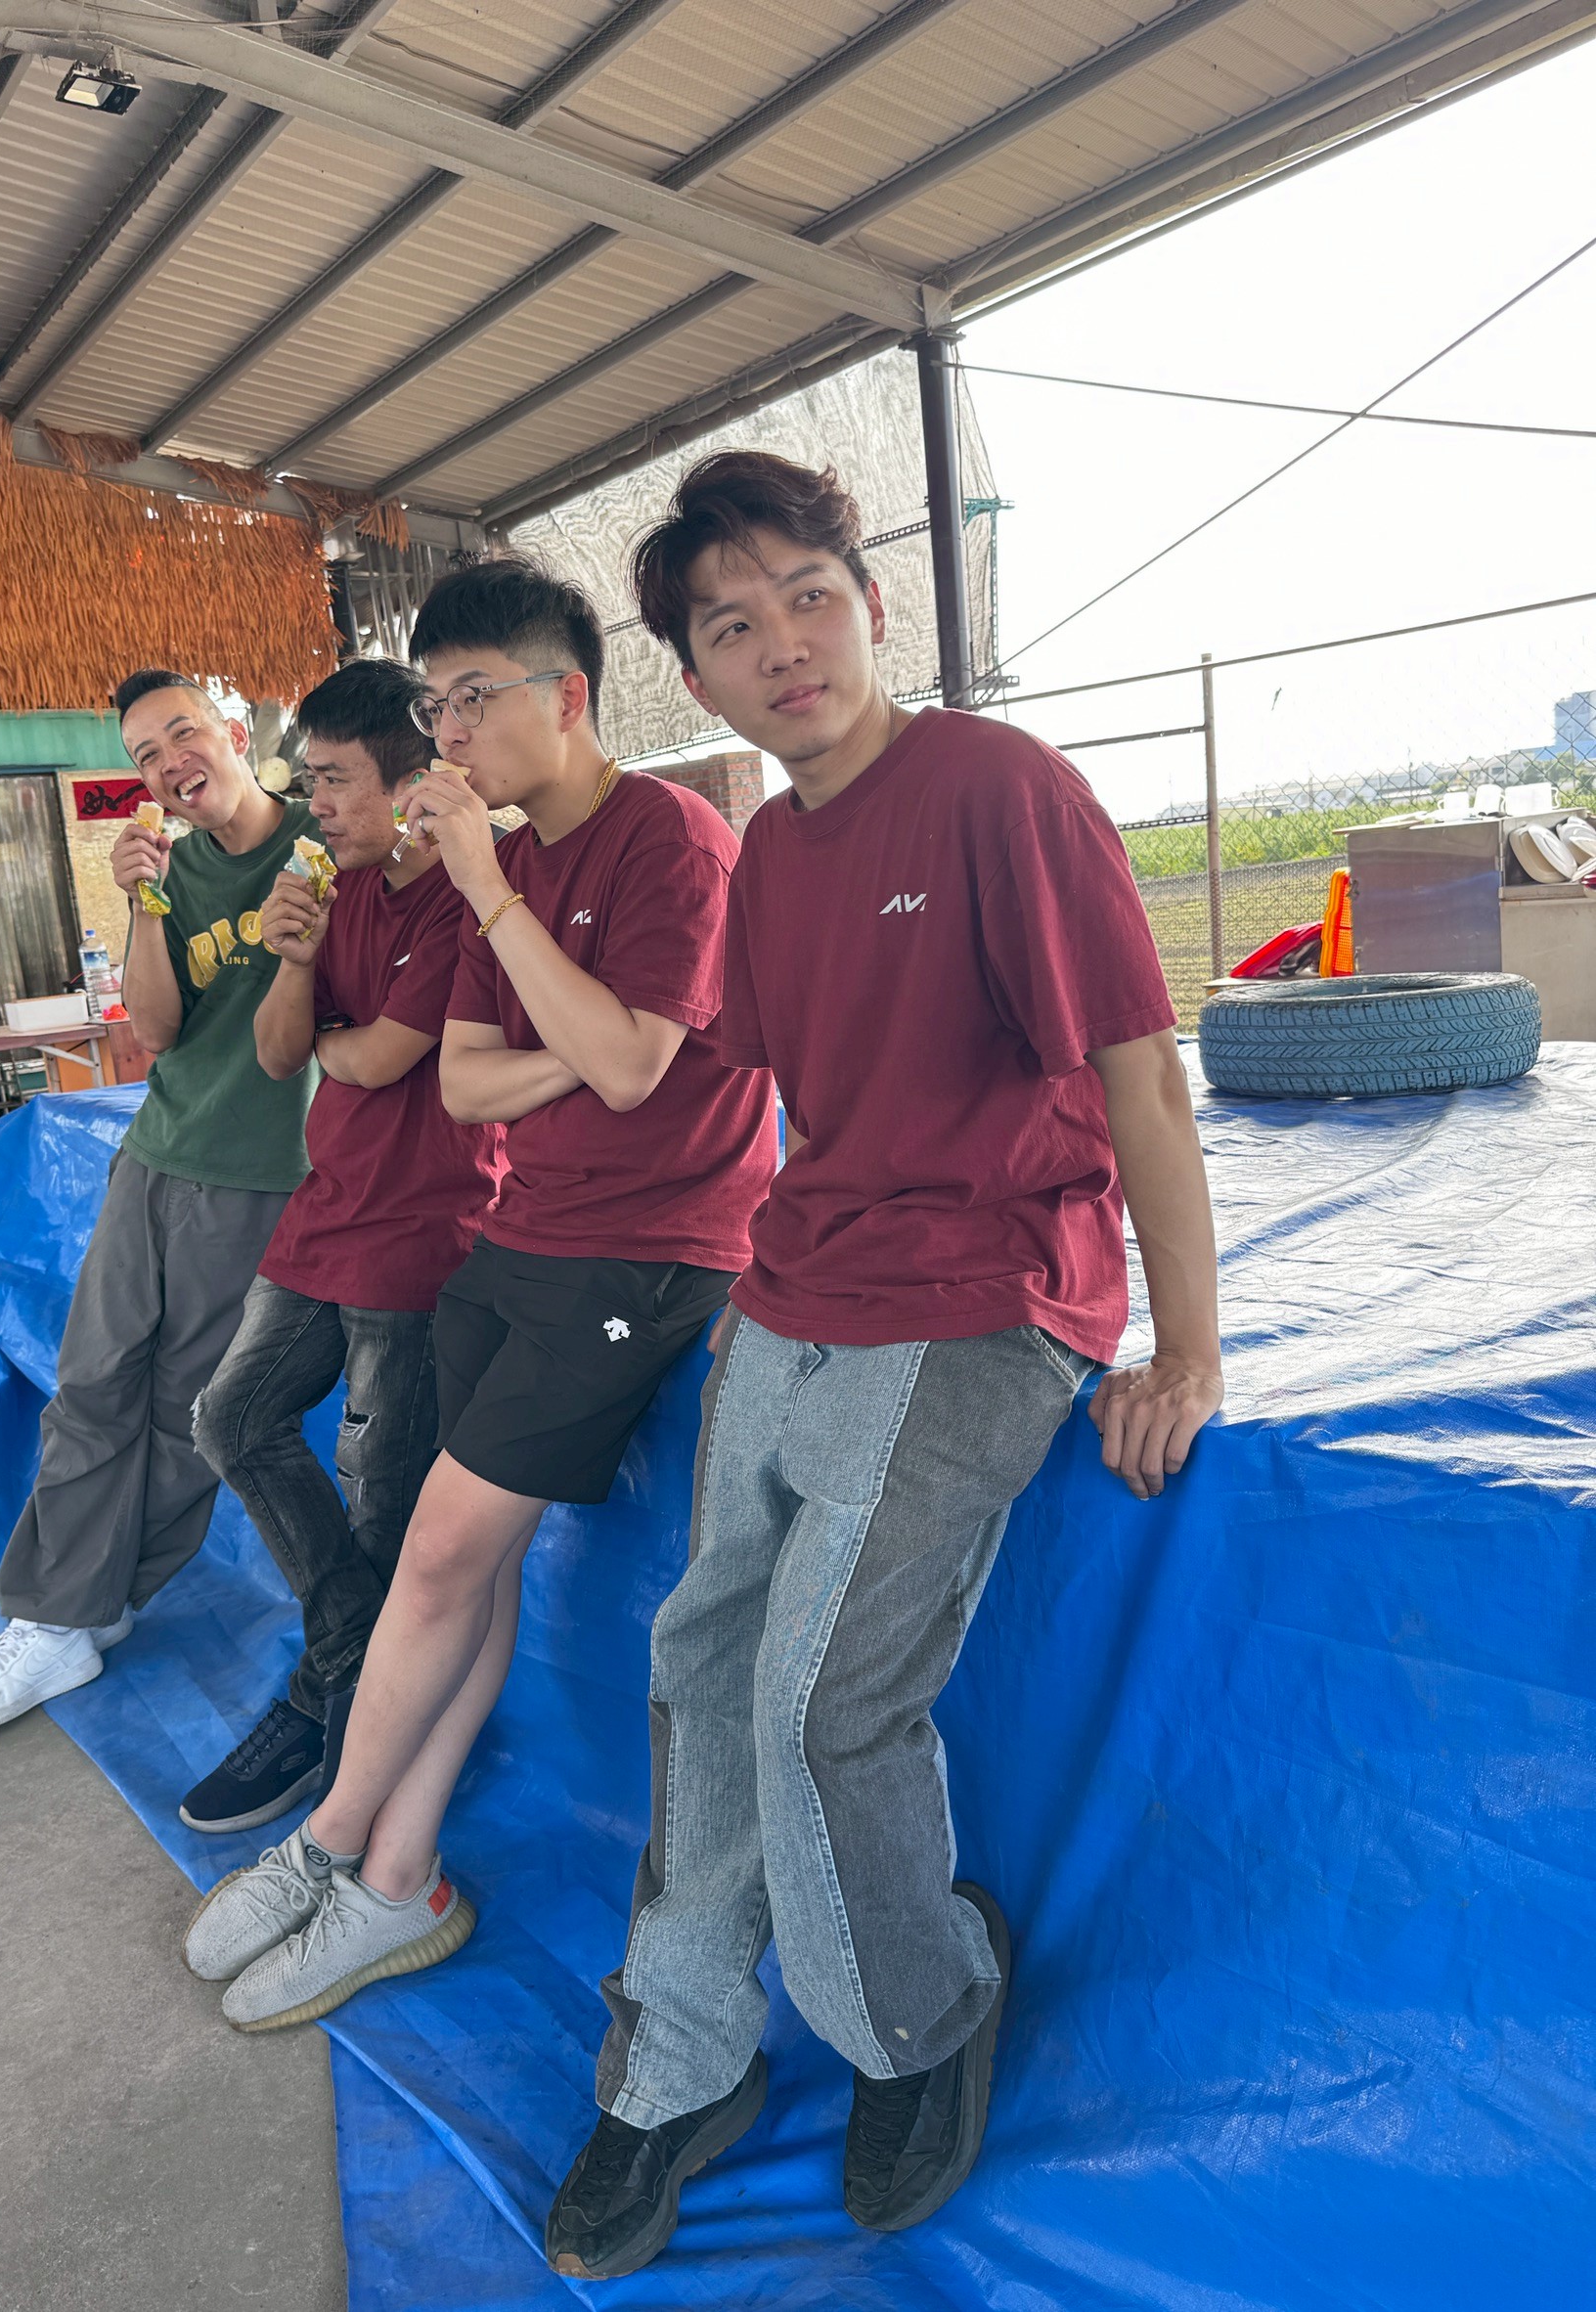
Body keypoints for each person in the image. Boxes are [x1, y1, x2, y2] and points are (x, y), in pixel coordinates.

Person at [544, 452, 1226, 2279]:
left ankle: (917, 2014)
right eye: (729, 626)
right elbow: (765, 1086)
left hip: (981, 1291)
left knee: (813, 1698)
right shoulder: (770, 847)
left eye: (808, 597)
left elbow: (1139, 1076)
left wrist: (1183, 1343)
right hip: (796, 1288)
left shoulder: (996, 786)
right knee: (698, 1661)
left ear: (870, 604)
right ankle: (678, 2058)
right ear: (692, 673)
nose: (782, 645)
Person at [181, 556, 776, 2030]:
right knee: (469, 1566)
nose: (444, 736)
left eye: (466, 701)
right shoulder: (497, 874)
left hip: (648, 1254)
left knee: (439, 1548)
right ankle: (402, 1873)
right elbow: (463, 1078)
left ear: (564, 698)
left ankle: (331, 1846)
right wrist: (578, 1027)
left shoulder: (667, 841)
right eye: (433, 707)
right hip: (521, 1234)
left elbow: (633, 1068)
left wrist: (522, 941)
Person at [0, 673, 318, 1739]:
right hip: (155, 1155)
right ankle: (57, 1613)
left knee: (189, 1410)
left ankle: (100, 1603)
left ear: (232, 733)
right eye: (145, 754)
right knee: (93, 1379)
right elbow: (154, 1030)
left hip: (261, 1175)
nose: (167, 763)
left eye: (181, 734)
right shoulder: (174, 871)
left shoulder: (321, 846)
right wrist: (144, 903)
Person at [178, 659, 502, 1835]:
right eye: (306, 779)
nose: (310, 804)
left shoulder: (465, 899)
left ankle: (341, 1718)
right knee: (229, 1418)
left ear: (409, 784)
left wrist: (332, 1028)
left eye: (331, 781)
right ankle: (351, 1668)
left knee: (382, 1496)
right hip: (323, 1215)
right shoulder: (334, 888)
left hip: (423, 1235)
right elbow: (282, 1055)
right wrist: (298, 961)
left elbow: (373, 1059)